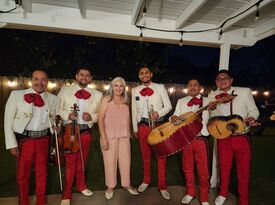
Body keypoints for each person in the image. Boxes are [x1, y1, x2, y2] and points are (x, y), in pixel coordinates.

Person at [4, 70, 57, 205]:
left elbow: (54, 119)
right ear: (31, 80)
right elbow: (7, 122)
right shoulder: (17, 95)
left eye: (43, 79)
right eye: (36, 79)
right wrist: (12, 143)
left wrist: (56, 127)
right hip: (24, 140)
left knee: (42, 173)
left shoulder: (53, 99)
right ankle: (23, 201)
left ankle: (40, 200)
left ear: (47, 81)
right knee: (23, 174)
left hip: (44, 140)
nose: (40, 82)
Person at [208, 70, 259, 205]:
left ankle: (244, 199)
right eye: (219, 79)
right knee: (224, 168)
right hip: (223, 138)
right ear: (216, 82)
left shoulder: (244, 92)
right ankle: (223, 193)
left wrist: (252, 117)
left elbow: (253, 110)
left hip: (242, 137)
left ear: (231, 80)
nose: (222, 80)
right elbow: (212, 118)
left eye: (225, 78)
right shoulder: (212, 96)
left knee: (243, 170)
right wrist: (211, 109)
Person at [58, 68, 102, 205]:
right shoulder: (65, 90)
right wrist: (67, 115)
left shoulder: (97, 94)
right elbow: (57, 109)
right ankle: (67, 192)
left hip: (86, 132)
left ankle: (81, 185)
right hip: (70, 132)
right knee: (71, 163)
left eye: (87, 75)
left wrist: (92, 117)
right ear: (76, 76)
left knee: (82, 161)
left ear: (90, 78)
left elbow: (100, 114)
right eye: (81, 74)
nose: (84, 77)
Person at [131, 66, 172, 200]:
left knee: (161, 156)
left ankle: (162, 186)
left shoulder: (160, 87)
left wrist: (158, 113)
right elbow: (133, 111)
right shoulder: (134, 90)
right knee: (145, 156)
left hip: (158, 126)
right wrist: (135, 129)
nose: (144, 75)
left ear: (151, 74)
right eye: (141, 73)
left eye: (146, 73)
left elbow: (169, 106)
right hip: (142, 126)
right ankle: (146, 180)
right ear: (139, 76)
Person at [170, 79, 210, 205]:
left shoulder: (208, 101)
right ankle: (190, 192)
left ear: (200, 88)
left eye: (195, 85)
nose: (192, 87)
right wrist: (173, 118)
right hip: (186, 140)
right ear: (187, 87)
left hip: (201, 139)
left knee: (203, 170)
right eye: (190, 85)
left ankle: (204, 197)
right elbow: (174, 116)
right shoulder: (181, 101)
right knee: (187, 168)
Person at [98, 77, 139, 200]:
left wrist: (129, 132)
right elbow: (100, 120)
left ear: (124, 88)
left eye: (121, 86)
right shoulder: (106, 99)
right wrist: (103, 138)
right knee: (110, 163)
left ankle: (126, 184)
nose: (118, 88)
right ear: (112, 87)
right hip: (109, 137)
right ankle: (110, 187)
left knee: (126, 162)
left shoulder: (126, 100)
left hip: (124, 137)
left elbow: (127, 118)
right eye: (116, 85)